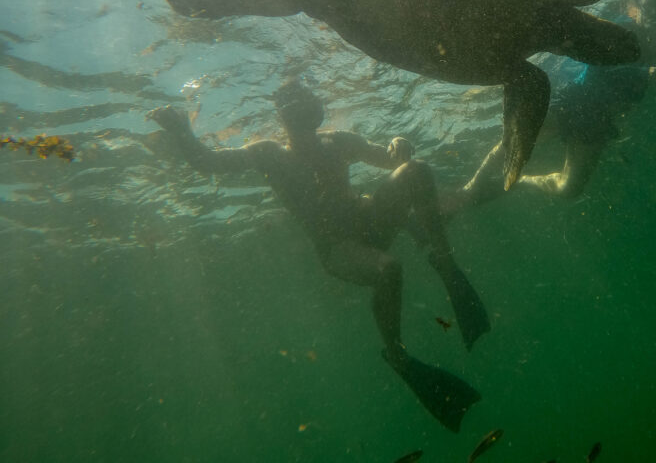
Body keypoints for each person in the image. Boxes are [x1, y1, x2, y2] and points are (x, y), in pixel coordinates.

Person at [147, 79, 489, 432]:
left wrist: (400, 146)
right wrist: (181, 130)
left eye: (307, 96)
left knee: (417, 171)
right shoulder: (270, 154)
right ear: (282, 115)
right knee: (389, 269)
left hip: (369, 222)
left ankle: (443, 259)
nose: (305, 104)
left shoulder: (338, 141)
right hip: (339, 249)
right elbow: (208, 162)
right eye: (295, 101)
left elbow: (392, 160)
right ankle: (398, 355)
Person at [455, 18, 656, 205]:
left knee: (569, 189)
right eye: (654, 1)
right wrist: (643, 73)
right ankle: (469, 188)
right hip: (576, 100)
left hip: (600, 120)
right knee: (514, 140)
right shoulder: (620, 28)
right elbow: (595, 64)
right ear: (635, 6)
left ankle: (521, 181)